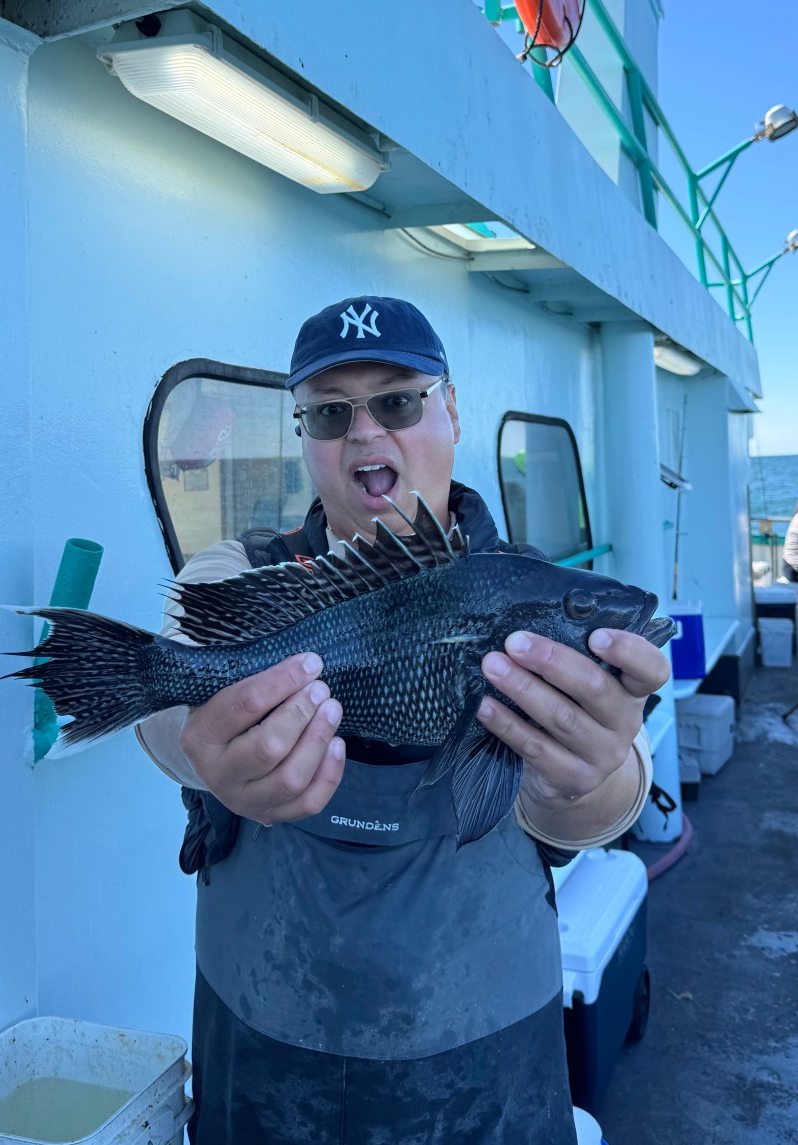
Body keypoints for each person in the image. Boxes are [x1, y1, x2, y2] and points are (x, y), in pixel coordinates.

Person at [136, 296, 672, 1144]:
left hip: (487, 1068)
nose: (365, 433)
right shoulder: (241, 574)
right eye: (330, 412)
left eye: (397, 401)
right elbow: (170, 688)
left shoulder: (526, 584)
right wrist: (202, 747)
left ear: (451, 410)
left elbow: (615, 789)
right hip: (258, 1055)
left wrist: (591, 770)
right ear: (306, 435)